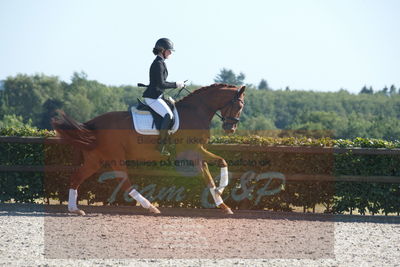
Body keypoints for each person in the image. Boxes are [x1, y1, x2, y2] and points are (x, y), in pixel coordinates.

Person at [142, 38, 186, 156]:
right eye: (169, 51)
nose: (171, 53)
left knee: (172, 108)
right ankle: (160, 147)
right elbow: (161, 84)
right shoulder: (158, 64)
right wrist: (176, 84)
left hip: (157, 96)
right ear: (162, 50)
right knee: (168, 115)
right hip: (152, 98)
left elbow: (159, 85)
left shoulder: (161, 62)